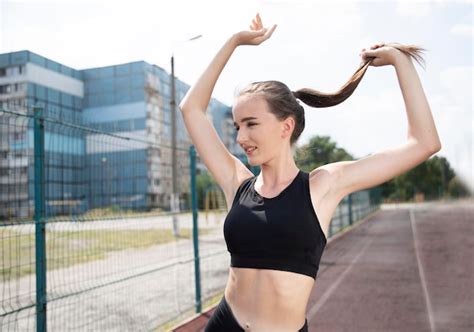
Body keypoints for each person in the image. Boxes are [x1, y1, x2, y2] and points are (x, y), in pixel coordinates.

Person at [179, 13, 441, 332]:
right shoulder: (236, 183)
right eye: (237, 126)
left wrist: (401, 61)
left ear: (285, 126)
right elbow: (190, 108)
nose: (240, 137)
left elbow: (424, 142)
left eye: (250, 124)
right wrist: (234, 41)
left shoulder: (323, 185)